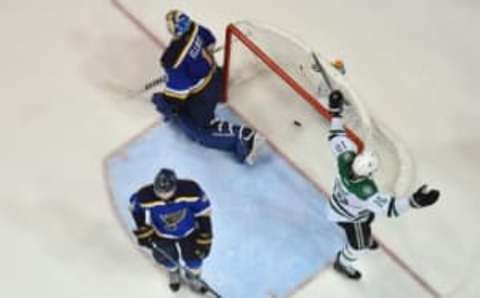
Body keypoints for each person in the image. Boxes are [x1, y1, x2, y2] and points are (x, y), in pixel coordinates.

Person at [326, 90, 440, 280]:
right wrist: (415, 201)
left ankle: (366, 236)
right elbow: (391, 209)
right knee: (358, 245)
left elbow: (335, 135)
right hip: (351, 218)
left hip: (343, 205)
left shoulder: (345, 156)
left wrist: (336, 112)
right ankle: (343, 263)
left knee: (368, 218)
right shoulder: (366, 192)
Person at [151, 10, 262, 165]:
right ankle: (220, 94)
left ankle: (244, 138)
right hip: (217, 77)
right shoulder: (194, 28)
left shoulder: (173, 59)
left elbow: (179, 93)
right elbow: (210, 41)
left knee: (199, 130)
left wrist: (164, 102)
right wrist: (196, 61)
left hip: (203, 95)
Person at [129, 168, 213, 293]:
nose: (163, 197)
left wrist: (205, 234)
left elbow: (203, 211)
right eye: (159, 192)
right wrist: (142, 228)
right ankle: (173, 271)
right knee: (166, 258)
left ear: (175, 187)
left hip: (189, 231)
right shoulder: (145, 196)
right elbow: (135, 208)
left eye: (167, 192)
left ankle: (194, 277)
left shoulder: (190, 191)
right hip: (161, 234)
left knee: (194, 259)